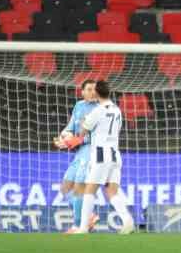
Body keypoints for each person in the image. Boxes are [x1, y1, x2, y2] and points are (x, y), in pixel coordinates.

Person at [68, 79, 135, 235]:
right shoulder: (117, 110)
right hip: (115, 155)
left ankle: (83, 228)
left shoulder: (97, 111)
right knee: (112, 192)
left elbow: (82, 133)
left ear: (97, 93)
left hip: (100, 155)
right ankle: (127, 221)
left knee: (89, 191)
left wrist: (72, 137)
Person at [55, 80, 98, 232]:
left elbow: (97, 134)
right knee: (65, 187)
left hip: (92, 149)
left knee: (80, 185)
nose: (93, 92)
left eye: (95, 89)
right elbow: (70, 127)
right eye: (89, 89)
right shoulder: (79, 106)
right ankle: (89, 215)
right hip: (80, 152)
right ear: (82, 92)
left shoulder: (101, 109)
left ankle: (78, 225)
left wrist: (73, 141)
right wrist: (64, 136)